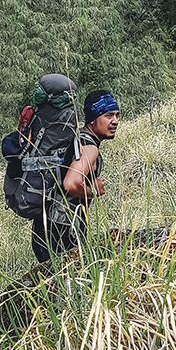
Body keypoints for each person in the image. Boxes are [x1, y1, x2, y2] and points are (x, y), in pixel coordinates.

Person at [31, 88, 121, 262]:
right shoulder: (90, 148)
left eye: (117, 115)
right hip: (65, 229)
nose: (115, 121)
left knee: (52, 284)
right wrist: (94, 190)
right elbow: (71, 183)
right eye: (108, 115)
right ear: (93, 119)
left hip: (43, 226)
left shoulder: (74, 138)